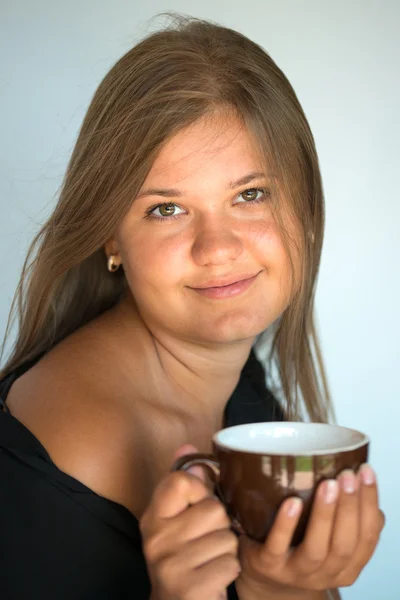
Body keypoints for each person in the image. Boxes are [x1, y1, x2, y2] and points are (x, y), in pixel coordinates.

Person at [0, 14, 384, 600]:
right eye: (167, 209)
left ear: (305, 209)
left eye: (249, 195)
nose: (218, 249)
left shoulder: (240, 383)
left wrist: (285, 586)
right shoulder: (77, 446)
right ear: (110, 238)